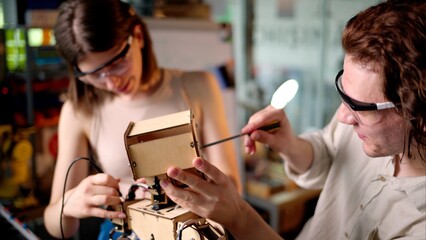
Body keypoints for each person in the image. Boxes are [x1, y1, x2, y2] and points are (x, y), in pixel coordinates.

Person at [160, 1, 426, 239]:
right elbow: (329, 152)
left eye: (359, 107)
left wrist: (238, 215)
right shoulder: (363, 119)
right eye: (342, 91)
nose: (344, 116)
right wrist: (289, 145)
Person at [43, 0, 241, 238]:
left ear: (137, 37)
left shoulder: (198, 86)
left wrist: (192, 187)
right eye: (94, 75)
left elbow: (232, 191)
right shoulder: (79, 110)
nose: (111, 82)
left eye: (116, 64)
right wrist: (69, 204)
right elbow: (58, 228)